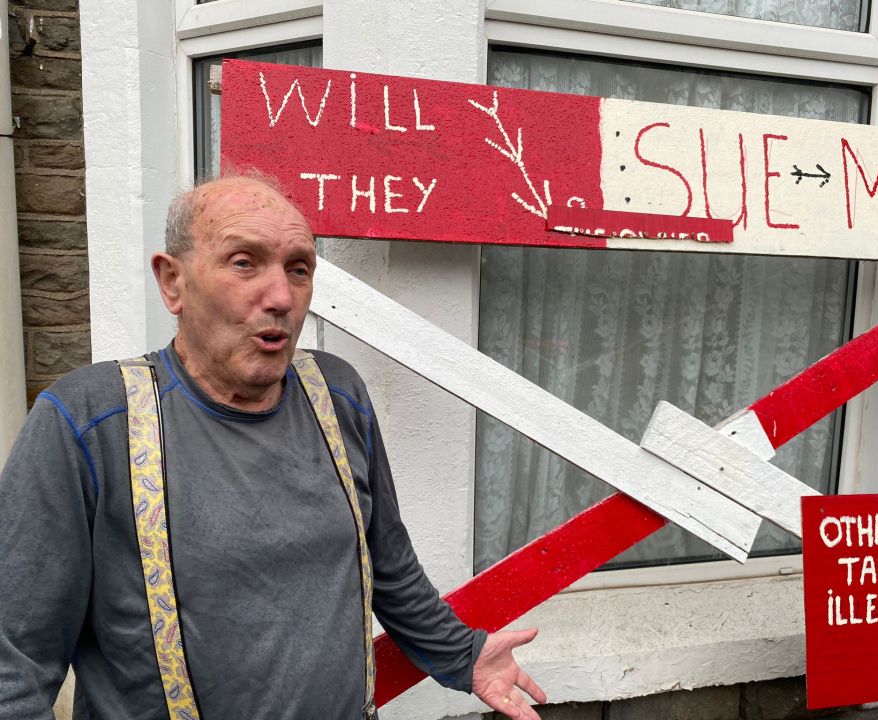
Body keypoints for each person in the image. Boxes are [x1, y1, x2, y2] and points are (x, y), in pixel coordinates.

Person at [0, 174, 547, 719]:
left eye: (299, 268)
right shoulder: (90, 422)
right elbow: (16, 663)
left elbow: (388, 564)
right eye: (244, 262)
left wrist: (462, 654)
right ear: (173, 283)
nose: (282, 297)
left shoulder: (337, 395)